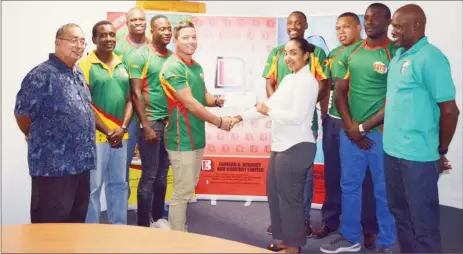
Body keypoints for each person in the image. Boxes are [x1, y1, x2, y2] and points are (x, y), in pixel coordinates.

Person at [14, 23, 112, 223]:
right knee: (50, 227)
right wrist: (36, 135)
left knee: (74, 225)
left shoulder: (77, 73)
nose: (78, 46)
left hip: (81, 164)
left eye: (82, 41)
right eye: (73, 40)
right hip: (54, 167)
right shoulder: (41, 75)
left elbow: (85, 109)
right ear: (58, 43)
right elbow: (23, 114)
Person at [320, 3, 397, 253]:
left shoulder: (395, 53)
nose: (370, 21)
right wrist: (353, 127)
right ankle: (349, 237)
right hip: (350, 134)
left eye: (376, 17)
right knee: (349, 186)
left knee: (383, 190)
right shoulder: (349, 53)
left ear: (388, 20)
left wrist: (363, 128)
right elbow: (340, 92)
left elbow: (395, 98)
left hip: (382, 135)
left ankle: (386, 241)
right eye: (367, 17)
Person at [231, 37, 319, 254]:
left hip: (297, 146)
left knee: (290, 199)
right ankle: (284, 240)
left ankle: (293, 247)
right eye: (286, 53)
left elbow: (296, 117)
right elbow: (267, 106)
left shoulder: (308, 81)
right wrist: (238, 117)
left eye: (294, 53)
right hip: (280, 146)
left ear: (305, 55)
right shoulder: (289, 79)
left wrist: (268, 111)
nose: (288, 58)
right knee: (275, 195)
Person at [384, 4, 460, 253]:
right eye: (392, 25)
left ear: (416, 26)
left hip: (417, 158)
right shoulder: (397, 57)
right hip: (392, 152)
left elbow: (450, 111)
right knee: (400, 215)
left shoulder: (431, 57)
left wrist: (441, 149)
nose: (392, 30)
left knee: (423, 223)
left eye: (397, 25)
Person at [262, 10, 331, 237]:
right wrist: (274, 107)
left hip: (302, 125)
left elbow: (324, 83)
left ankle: (301, 221)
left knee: (303, 177)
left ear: (306, 25)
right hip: (282, 124)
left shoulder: (316, 53)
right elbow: (270, 83)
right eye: (289, 23)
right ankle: (285, 225)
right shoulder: (277, 53)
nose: (293, 26)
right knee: (279, 181)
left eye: (298, 23)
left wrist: (310, 105)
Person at [313, 12, 379, 249]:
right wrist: (323, 115)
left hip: (359, 125)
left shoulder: (367, 51)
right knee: (333, 174)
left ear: (359, 28)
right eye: (338, 28)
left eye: (347, 27)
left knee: (365, 179)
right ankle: (331, 220)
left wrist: (360, 125)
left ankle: (369, 227)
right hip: (333, 122)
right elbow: (329, 88)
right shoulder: (333, 55)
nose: (341, 32)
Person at [159, 21, 230, 231]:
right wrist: (219, 122)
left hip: (196, 136)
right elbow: (190, 103)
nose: (191, 41)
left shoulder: (196, 66)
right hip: (181, 139)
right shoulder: (173, 67)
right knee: (182, 191)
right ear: (175, 40)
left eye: (194, 37)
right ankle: (177, 237)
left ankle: (177, 228)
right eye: (185, 37)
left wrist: (215, 100)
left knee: (188, 188)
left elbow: (202, 96)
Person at [78, 21, 133, 225]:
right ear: (94, 40)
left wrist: (123, 128)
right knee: (93, 187)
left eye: (112, 34)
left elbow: (130, 99)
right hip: (97, 136)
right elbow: (85, 104)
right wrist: (109, 131)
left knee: (119, 184)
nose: (109, 38)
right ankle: (91, 232)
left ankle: (119, 228)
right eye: (103, 35)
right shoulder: (84, 65)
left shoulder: (122, 63)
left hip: (121, 134)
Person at [128, 15, 173, 227]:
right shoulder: (140, 55)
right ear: (152, 32)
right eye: (161, 29)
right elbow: (135, 93)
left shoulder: (173, 57)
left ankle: (158, 219)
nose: (166, 32)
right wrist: (145, 126)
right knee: (150, 175)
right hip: (151, 122)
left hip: (170, 124)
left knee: (163, 175)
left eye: (168, 28)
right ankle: (143, 224)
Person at [114, 7, 150, 199]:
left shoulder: (154, 47)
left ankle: (150, 210)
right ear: (127, 23)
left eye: (141, 19)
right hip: (126, 117)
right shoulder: (117, 48)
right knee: (122, 168)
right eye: (134, 20)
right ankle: (123, 210)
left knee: (152, 166)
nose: (138, 23)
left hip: (151, 117)